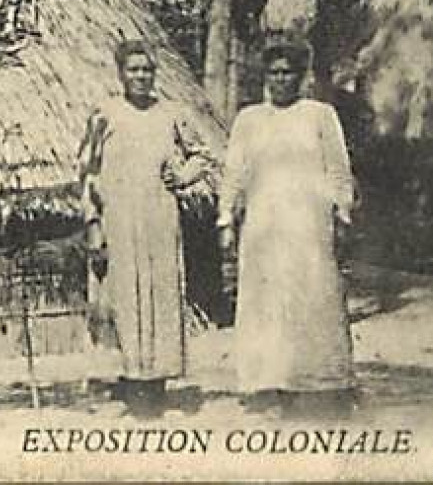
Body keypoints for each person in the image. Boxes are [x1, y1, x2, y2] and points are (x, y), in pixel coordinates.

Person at [218, 40, 357, 411]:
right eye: (273, 72)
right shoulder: (249, 120)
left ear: (300, 77)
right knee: (266, 303)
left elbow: (339, 170)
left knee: (312, 297)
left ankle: (318, 380)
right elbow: (234, 172)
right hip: (264, 227)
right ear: (265, 77)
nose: (280, 79)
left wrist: (342, 214)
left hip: (308, 226)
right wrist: (226, 218)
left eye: (287, 72)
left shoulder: (320, 115)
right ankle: (267, 381)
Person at [80, 39, 215, 416]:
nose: (140, 76)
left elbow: (202, 155)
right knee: (124, 296)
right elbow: (88, 173)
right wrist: (94, 227)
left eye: (146, 70)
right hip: (119, 220)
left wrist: (183, 176)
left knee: (159, 295)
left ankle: (156, 382)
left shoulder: (170, 113)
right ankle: (130, 381)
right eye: (133, 69)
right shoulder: (104, 114)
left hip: (159, 215)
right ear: (121, 73)